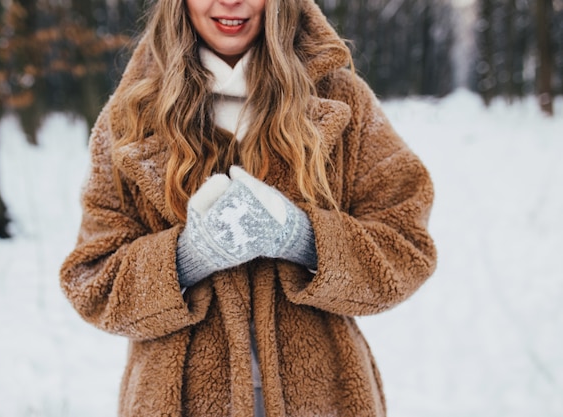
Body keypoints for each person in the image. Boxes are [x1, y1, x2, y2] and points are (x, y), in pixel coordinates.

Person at [60, 0, 437, 416]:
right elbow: (91, 282)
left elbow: (406, 246)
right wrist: (185, 259)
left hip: (325, 399)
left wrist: (304, 240)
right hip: (177, 401)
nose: (230, 2)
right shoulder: (130, 117)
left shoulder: (341, 100)